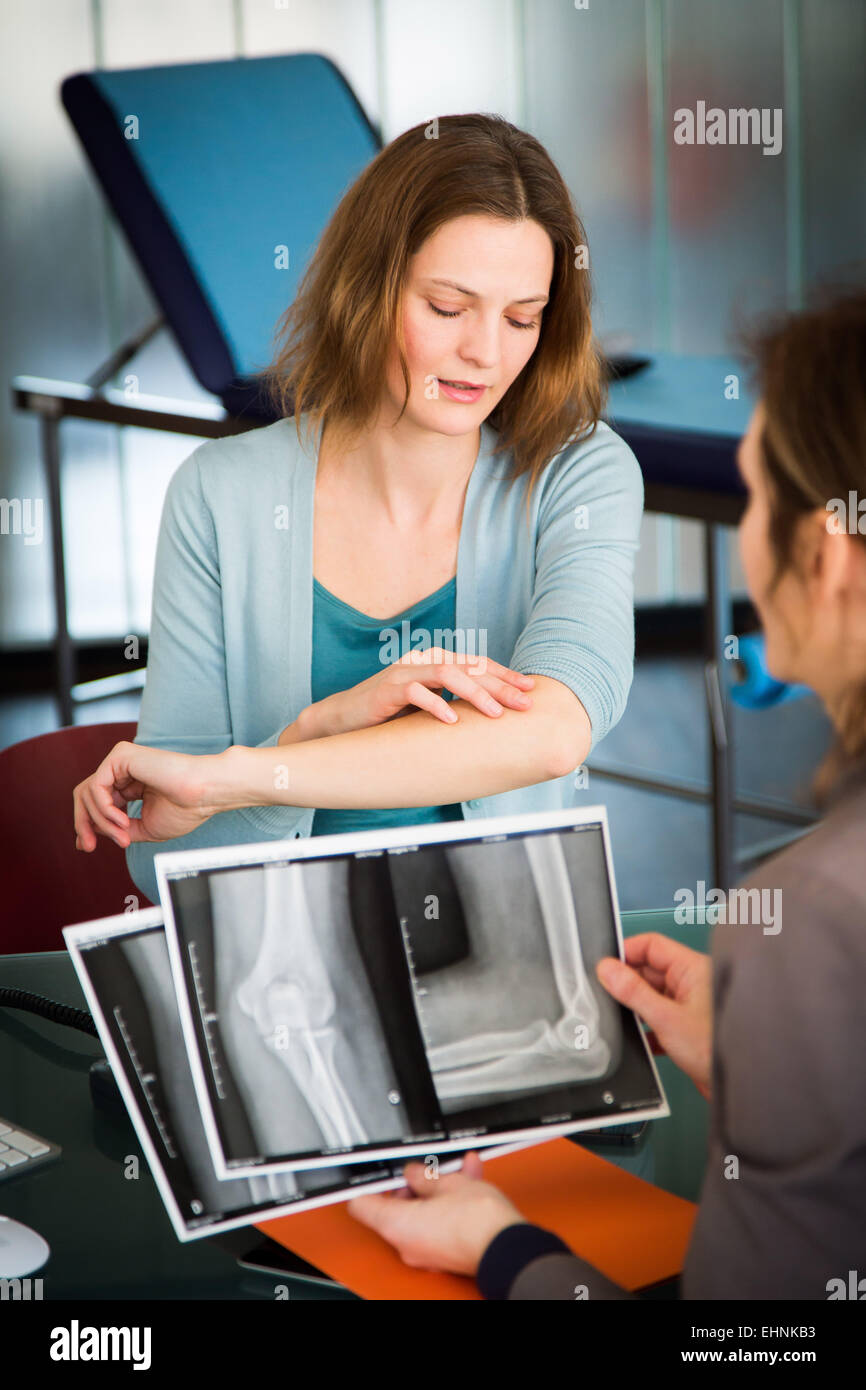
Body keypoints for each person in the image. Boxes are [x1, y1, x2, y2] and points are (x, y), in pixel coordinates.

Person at [344, 287, 866, 1300]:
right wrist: (764, 1066)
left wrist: (502, 1249)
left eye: (753, 498)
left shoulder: (816, 917)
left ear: (827, 556)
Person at [72, 113, 643, 901]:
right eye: (448, 307)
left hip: (500, 963)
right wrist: (318, 727)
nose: (486, 352)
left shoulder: (579, 473)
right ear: (367, 288)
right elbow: (159, 849)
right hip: (274, 966)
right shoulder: (218, 493)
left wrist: (244, 774)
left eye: (522, 318)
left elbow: (549, 734)